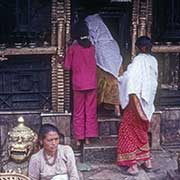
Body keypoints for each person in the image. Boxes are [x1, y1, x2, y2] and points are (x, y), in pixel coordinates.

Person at [117, 36, 158, 175]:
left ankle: (132, 165)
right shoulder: (153, 61)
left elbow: (130, 80)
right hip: (148, 103)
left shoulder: (138, 60)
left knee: (127, 130)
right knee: (142, 130)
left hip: (136, 101)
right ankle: (147, 161)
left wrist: (119, 80)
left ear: (139, 47)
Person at [64, 21, 98, 146]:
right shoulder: (92, 48)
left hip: (78, 84)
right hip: (92, 84)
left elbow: (67, 66)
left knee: (78, 111)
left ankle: (79, 138)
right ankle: (89, 137)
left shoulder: (73, 48)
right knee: (90, 110)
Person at [85, 13, 123, 117]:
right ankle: (117, 109)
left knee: (101, 84)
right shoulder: (112, 42)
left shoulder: (97, 43)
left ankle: (94, 110)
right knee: (116, 84)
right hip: (116, 65)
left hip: (102, 66)